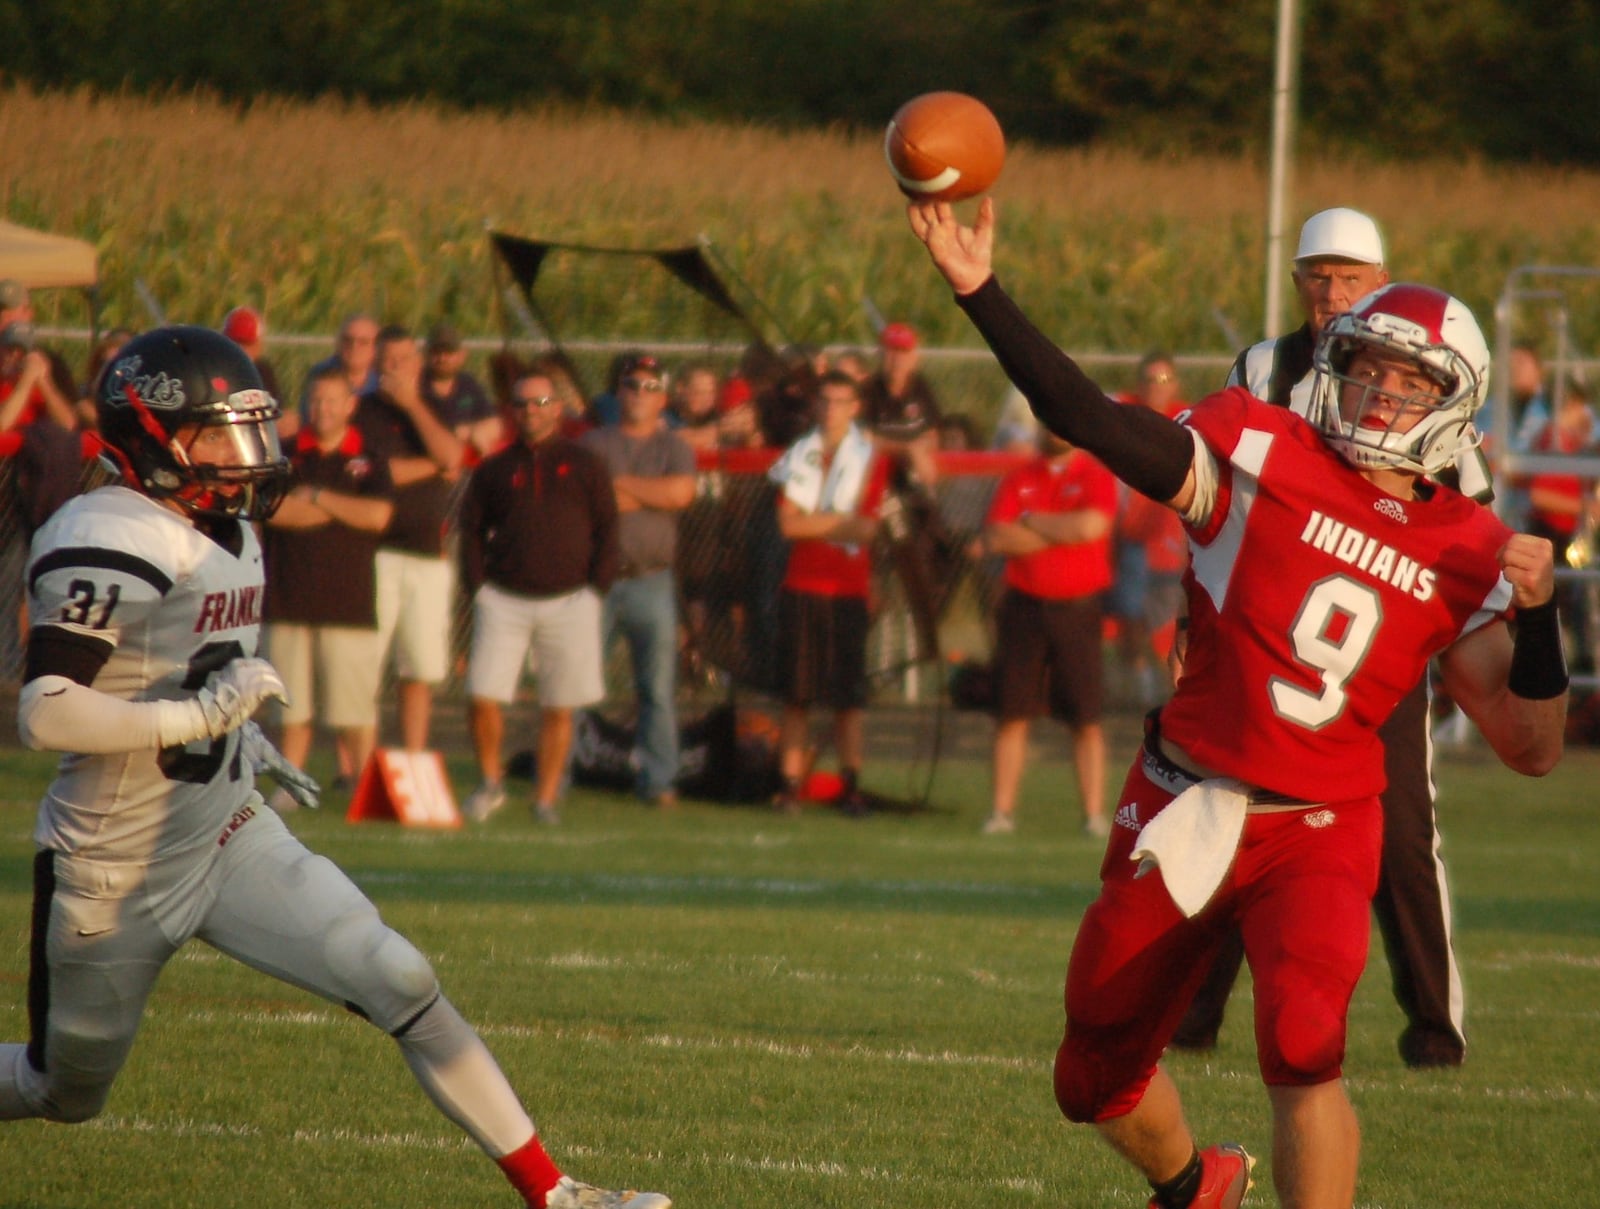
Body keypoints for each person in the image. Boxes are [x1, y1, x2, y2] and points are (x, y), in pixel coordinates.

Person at [909, 197, 1566, 1209]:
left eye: (1410, 379)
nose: (1380, 393)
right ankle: (1191, 1184)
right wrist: (975, 289)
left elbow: (1530, 746)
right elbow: (1085, 416)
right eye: (1367, 368)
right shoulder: (1255, 454)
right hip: (1183, 793)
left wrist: (1538, 622)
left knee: (1305, 1045)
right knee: (1089, 1077)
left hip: (1320, 823)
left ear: (1453, 405)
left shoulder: (1467, 550)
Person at [0, 325, 669, 1209]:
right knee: (64, 1091)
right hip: (115, 862)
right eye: (219, 432)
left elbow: (200, 665)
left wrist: (236, 737)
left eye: (251, 427)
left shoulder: (228, 524)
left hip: (228, 828)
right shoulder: (106, 530)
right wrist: (196, 716)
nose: (246, 454)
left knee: (396, 972)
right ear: (151, 435)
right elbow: (45, 708)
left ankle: (557, 1192)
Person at [1177, 207, 1476, 1069]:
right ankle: (1195, 1013)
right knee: (1227, 814)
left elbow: (1467, 504)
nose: (1331, 292)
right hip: (1261, 631)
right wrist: (1188, 616)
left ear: (1381, 280)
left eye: (1349, 277)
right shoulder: (1263, 367)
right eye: (1317, 275)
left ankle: (1434, 1025)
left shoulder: (1425, 368)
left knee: (1402, 833)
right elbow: (1206, 493)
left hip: (1373, 635)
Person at [457, 371, 619, 824]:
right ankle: (491, 782)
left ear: (557, 408)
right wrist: (479, 589)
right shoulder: (495, 467)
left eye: (540, 402)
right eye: (522, 404)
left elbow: (608, 529)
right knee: (483, 695)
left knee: (558, 704)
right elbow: (470, 530)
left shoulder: (585, 464)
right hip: (505, 598)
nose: (531, 411)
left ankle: (545, 798)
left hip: (570, 600)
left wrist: (595, 591)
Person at [262, 364, 395, 804]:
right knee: (292, 709)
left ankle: (364, 787)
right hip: (288, 599)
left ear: (351, 405)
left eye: (332, 400)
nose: (322, 409)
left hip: (348, 605)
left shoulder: (370, 458)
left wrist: (317, 498)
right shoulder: (282, 455)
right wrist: (345, 510)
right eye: (315, 400)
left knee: (353, 709)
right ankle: (292, 784)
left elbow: (378, 517)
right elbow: (275, 511)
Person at [979, 426, 1117, 837]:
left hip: (1077, 609)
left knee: (1085, 718)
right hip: (1025, 608)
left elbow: (1090, 528)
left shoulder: (1094, 475)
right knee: (1012, 714)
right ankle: (1001, 812)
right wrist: (1061, 532)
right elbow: (997, 537)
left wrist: (1032, 521)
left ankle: (1093, 815)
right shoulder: (1020, 476)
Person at [767, 370, 891, 815]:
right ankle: (790, 783)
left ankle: (850, 785)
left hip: (847, 588)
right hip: (802, 584)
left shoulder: (870, 457)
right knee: (796, 696)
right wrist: (836, 520)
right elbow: (788, 524)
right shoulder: (800, 455)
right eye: (827, 400)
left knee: (847, 698)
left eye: (842, 401)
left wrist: (814, 520)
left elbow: (867, 526)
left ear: (854, 407)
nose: (833, 409)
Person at [581, 354, 696, 806]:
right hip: (600, 579)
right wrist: (650, 494)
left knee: (657, 689)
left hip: (653, 579)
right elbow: (594, 503)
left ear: (663, 398)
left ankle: (659, 780)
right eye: (632, 385)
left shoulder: (675, 447)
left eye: (650, 388)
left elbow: (680, 493)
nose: (640, 395)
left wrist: (622, 486)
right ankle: (565, 771)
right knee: (577, 684)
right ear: (618, 392)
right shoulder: (593, 442)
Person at [356, 324, 465, 754]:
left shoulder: (434, 408)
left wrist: (414, 405)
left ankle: (413, 757)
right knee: (366, 665)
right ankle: (359, 765)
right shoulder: (362, 412)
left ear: (417, 364)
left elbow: (453, 456)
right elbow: (375, 472)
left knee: (418, 668)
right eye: (387, 362)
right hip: (376, 552)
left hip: (426, 554)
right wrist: (433, 465)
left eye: (402, 360)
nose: (394, 369)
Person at [1109, 352, 1190, 706]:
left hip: (1170, 539)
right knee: (1131, 615)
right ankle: (1139, 682)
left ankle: (1160, 685)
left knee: (1170, 616)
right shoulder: (1125, 416)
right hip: (1132, 537)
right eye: (1150, 380)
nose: (1157, 388)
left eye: (1164, 380)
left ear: (1174, 385)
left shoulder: (1187, 421)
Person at [422, 320, 502, 458]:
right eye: (436, 352)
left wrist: (474, 432)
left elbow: (494, 424)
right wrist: (460, 432)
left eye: (449, 352)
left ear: (461, 355)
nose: (442, 358)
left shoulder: (468, 384)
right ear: (426, 354)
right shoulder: (417, 385)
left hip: (466, 463)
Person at [294, 311, 380, 436]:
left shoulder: (383, 379)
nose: (354, 346)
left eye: (363, 342)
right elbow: (307, 420)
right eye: (348, 340)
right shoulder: (320, 374)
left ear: (376, 347)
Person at [222, 305, 283, 402]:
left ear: (258, 345)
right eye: (236, 343)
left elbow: (277, 408)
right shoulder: (215, 371)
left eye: (247, 344)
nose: (241, 349)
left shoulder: (263, 372)